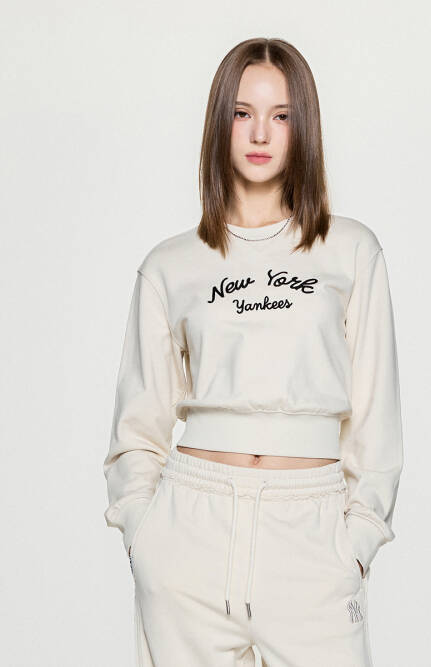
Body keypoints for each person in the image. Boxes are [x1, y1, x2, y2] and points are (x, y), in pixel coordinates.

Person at [103, 37, 404, 667]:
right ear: (221, 123)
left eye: (281, 115)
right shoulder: (170, 265)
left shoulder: (351, 251)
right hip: (190, 532)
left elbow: (375, 418)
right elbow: (138, 427)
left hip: (311, 538)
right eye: (242, 113)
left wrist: (356, 544)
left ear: (303, 127)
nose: (260, 133)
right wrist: (143, 536)